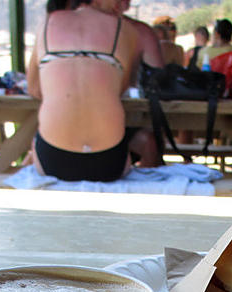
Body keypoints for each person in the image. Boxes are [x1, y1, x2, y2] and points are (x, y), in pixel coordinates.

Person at [26, 0, 158, 181]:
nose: (123, 5)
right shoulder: (124, 29)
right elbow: (120, 87)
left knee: (33, 147)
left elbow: (34, 89)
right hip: (108, 162)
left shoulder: (48, 23)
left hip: (53, 160)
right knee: (144, 141)